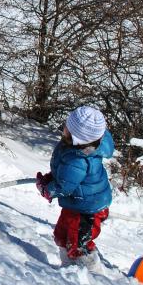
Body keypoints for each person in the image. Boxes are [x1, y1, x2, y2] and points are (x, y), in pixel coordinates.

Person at [35, 106, 114, 271]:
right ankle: (68, 267)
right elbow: (66, 176)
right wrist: (51, 177)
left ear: (78, 138)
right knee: (62, 235)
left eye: (68, 129)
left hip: (87, 209)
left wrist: (46, 189)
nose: (64, 128)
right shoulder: (73, 147)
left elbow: (65, 187)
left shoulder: (78, 159)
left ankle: (92, 273)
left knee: (78, 243)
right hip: (76, 203)